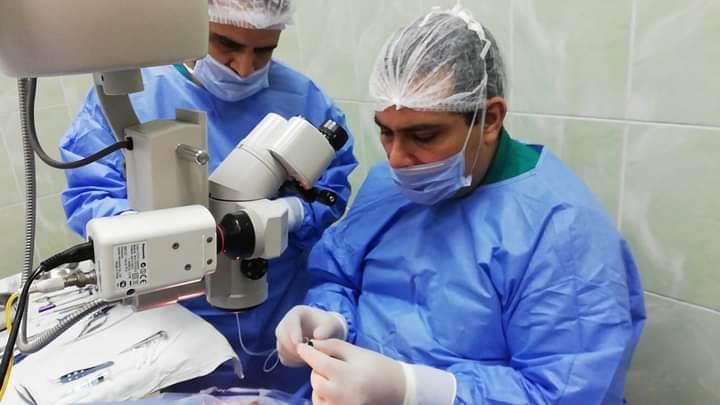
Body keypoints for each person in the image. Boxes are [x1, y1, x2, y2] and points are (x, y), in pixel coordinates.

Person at [274, 4, 646, 404]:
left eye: (424, 136)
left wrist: (416, 390)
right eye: (386, 133)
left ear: (490, 119)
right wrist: (333, 318)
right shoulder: (390, 185)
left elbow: (569, 392)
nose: (397, 158)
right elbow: (340, 276)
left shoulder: (561, 231)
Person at [59, 0, 356, 395]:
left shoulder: (303, 100)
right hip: (174, 318)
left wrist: (291, 212)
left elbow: (331, 193)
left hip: (279, 311)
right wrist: (159, 234)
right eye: (226, 44)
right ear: (192, 25)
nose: (245, 67)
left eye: (264, 51)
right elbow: (90, 196)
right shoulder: (129, 99)